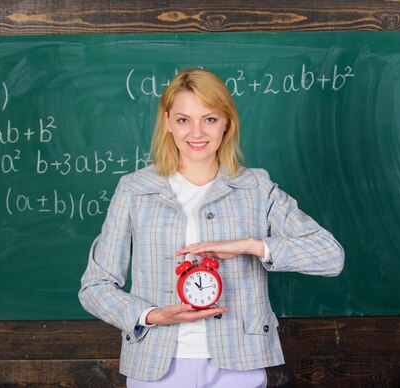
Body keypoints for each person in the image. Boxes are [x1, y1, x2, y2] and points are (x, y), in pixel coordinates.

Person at [79, 68, 344, 387]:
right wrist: (152, 315)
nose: (196, 133)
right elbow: (95, 287)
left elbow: (331, 257)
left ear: (227, 123)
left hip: (239, 363)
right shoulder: (135, 190)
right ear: (167, 122)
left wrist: (253, 245)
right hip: (155, 364)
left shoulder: (256, 188)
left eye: (209, 119)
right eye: (183, 119)